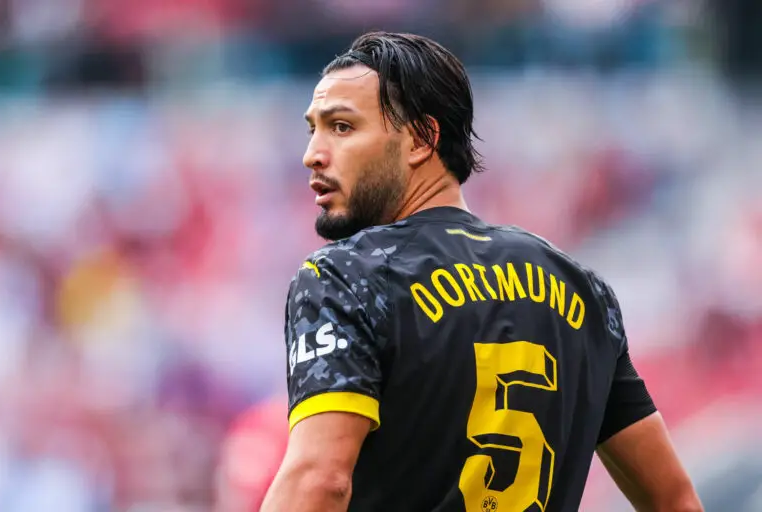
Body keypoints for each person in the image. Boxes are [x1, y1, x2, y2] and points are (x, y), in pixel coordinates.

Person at [260, 31, 703, 512]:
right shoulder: (582, 289)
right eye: (314, 130)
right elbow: (676, 501)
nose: (312, 154)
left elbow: (320, 480)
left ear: (421, 139)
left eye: (342, 127)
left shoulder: (346, 276)